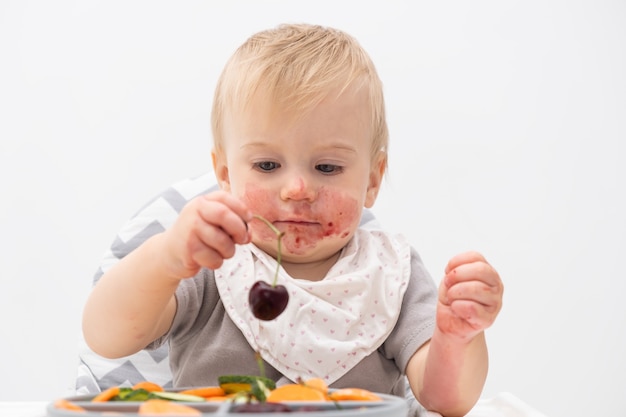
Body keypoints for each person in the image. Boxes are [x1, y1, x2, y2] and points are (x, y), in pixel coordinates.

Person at [82, 23, 503, 417]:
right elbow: (106, 336)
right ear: (226, 176)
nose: (297, 188)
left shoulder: (392, 274)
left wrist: (456, 335)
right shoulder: (214, 261)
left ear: (372, 181)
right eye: (267, 165)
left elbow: (446, 400)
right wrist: (166, 259)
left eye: (327, 168)